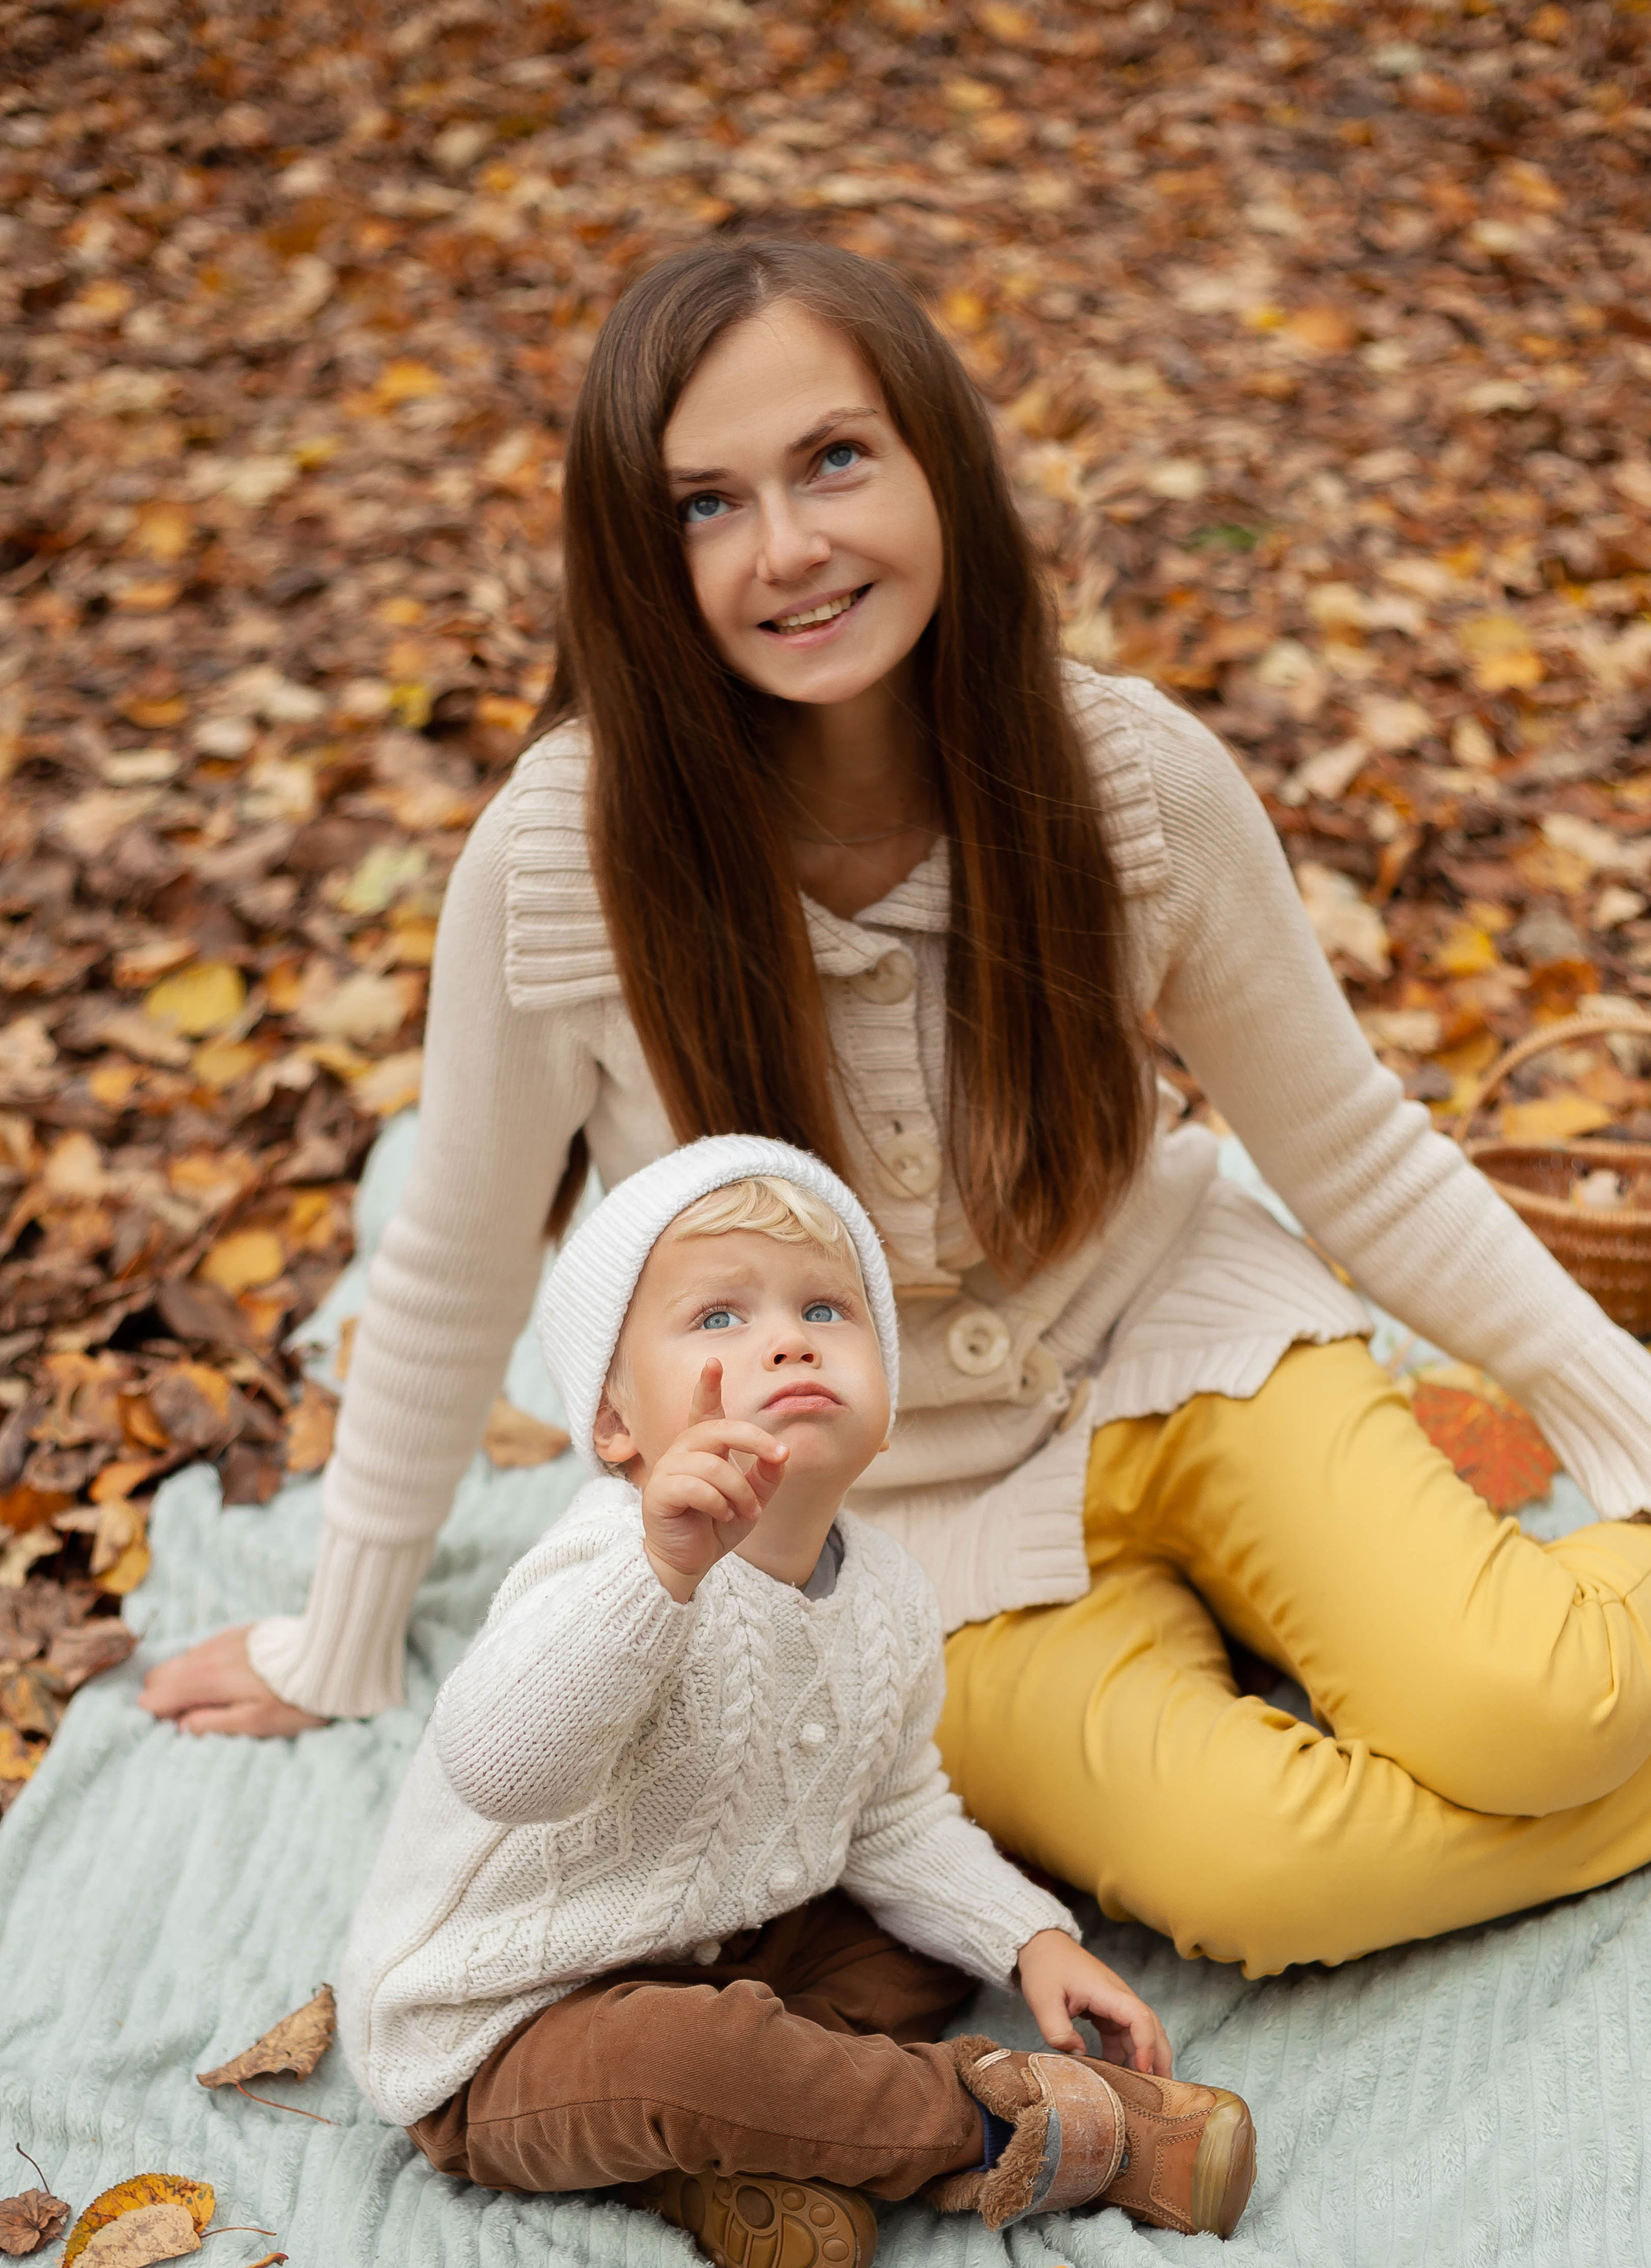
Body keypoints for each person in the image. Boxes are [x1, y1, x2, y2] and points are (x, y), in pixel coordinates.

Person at [144, 237, 1651, 1980]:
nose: (787, 549)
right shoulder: (564, 861)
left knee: (1534, 1703)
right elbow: (452, 1262)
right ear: (641, 561)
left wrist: (1606, 1395)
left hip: (1188, 1344)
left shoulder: (1130, 782)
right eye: (707, 505)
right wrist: (345, 1635)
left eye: (835, 460)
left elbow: (1358, 1151)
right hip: (881, 1524)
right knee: (1264, 1882)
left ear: (940, 462)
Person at [340, 1139, 1258, 2268]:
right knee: (698, 2057)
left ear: (886, 1406)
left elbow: (891, 1816)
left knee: (917, 1952)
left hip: (729, 1942)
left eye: (826, 1307)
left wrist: (1028, 1937)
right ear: (619, 1425)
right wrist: (660, 1576)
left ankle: (753, 2149)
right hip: (512, 2030)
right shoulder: (607, 1560)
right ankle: (1029, 2131)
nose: (786, 1338)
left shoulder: (884, 1592)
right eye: (717, 1319)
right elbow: (499, 1766)